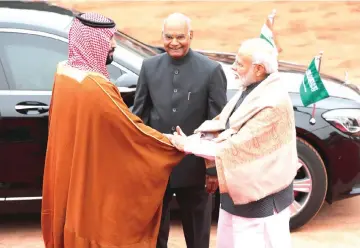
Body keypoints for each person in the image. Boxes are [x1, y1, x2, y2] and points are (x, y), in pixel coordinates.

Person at [41, 13, 185, 248]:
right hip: (87, 183)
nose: (113, 45)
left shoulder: (63, 72)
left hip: (71, 172)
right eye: (108, 39)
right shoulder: (95, 87)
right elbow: (131, 132)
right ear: (91, 41)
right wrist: (169, 143)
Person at [168, 38, 298, 248]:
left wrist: (187, 145)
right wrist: (193, 138)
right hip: (237, 197)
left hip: (260, 204)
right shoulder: (254, 88)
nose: (234, 68)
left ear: (257, 69)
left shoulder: (272, 102)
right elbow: (224, 124)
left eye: (239, 63)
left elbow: (236, 146)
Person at [132, 12, 227, 248]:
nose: (174, 42)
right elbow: (140, 115)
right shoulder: (149, 67)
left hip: (195, 169)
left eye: (180, 37)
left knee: (197, 237)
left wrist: (212, 169)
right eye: (169, 37)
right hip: (157, 168)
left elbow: (217, 124)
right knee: (154, 236)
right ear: (162, 37)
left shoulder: (210, 70)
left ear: (191, 36)